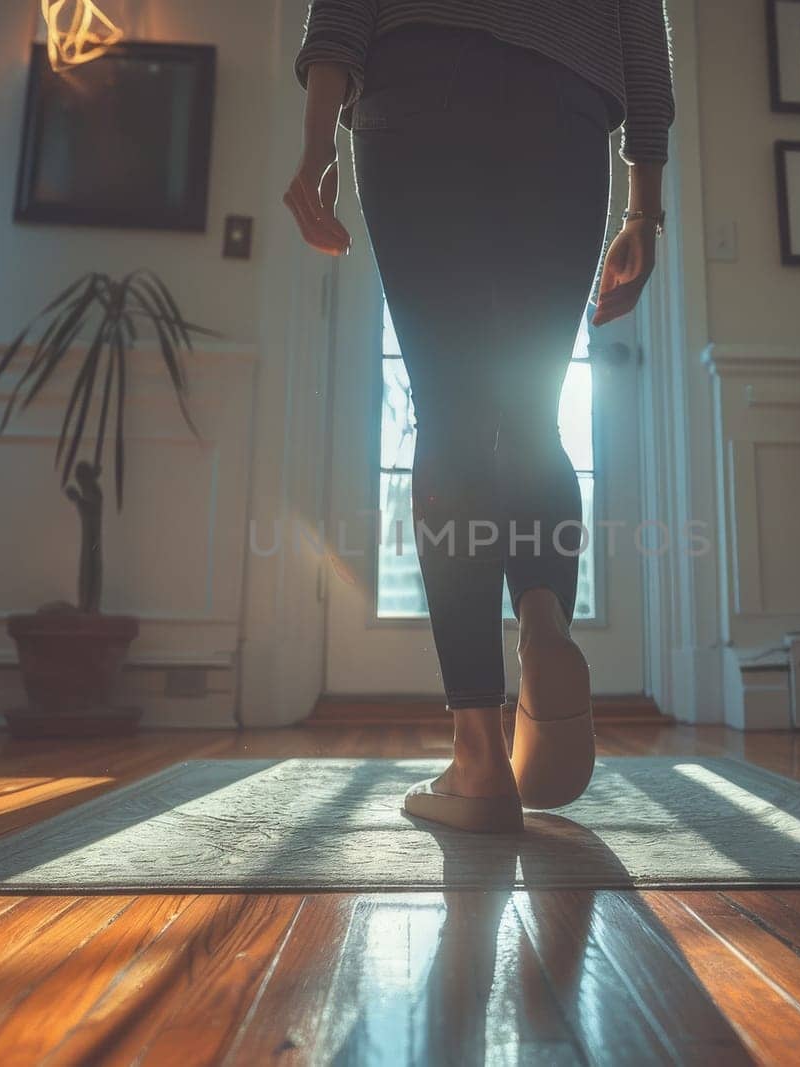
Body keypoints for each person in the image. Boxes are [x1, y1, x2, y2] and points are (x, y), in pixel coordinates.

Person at [287, 1, 675, 832]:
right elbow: (642, 36)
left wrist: (318, 139)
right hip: (565, 114)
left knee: (454, 417)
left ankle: (478, 757)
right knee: (534, 413)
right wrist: (646, 207)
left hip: (418, 94)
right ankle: (541, 623)